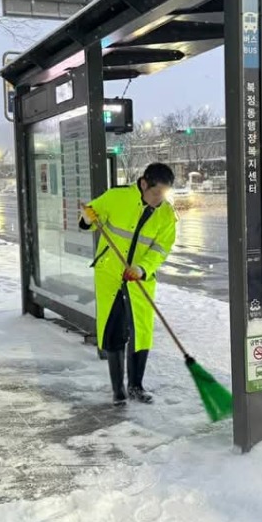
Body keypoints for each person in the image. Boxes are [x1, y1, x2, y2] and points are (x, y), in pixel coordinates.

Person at [80, 163, 178, 405]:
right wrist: (86, 217)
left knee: (141, 331)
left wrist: (142, 268)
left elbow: (161, 248)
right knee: (114, 329)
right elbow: (90, 219)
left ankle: (136, 386)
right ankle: (118, 389)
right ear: (144, 184)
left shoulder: (166, 215)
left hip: (141, 278)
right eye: (156, 193)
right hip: (110, 273)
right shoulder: (116, 197)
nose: (159, 200)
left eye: (164, 194)